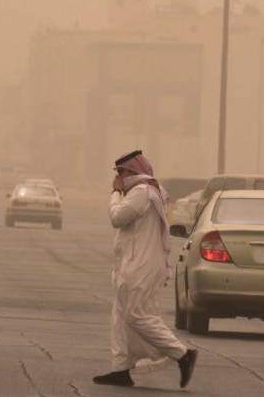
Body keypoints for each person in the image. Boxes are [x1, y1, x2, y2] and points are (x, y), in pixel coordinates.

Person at [93, 150, 197, 389]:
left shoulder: (142, 192)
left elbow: (117, 217)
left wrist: (116, 192)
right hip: (132, 264)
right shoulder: (148, 190)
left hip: (140, 266)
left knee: (135, 315)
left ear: (132, 172)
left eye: (121, 173)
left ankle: (182, 354)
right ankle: (120, 369)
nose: (118, 177)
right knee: (120, 318)